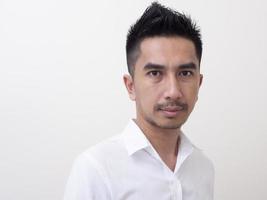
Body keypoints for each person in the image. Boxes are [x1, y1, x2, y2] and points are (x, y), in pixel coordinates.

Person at [64, 2, 214, 200]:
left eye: (185, 73)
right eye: (155, 73)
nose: (173, 91)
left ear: (199, 83)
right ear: (131, 86)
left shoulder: (202, 167)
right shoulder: (95, 169)